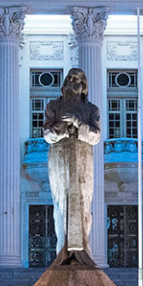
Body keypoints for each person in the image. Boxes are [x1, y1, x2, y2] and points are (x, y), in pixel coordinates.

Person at [43, 68, 101, 253]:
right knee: (60, 202)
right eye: (70, 78)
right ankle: (63, 249)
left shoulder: (91, 109)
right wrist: (62, 127)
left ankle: (84, 250)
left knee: (84, 201)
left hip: (83, 155)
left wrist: (78, 123)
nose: (73, 82)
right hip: (59, 155)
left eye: (77, 79)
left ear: (84, 85)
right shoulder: (54, 106)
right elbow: (47, 134)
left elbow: (96, 136)